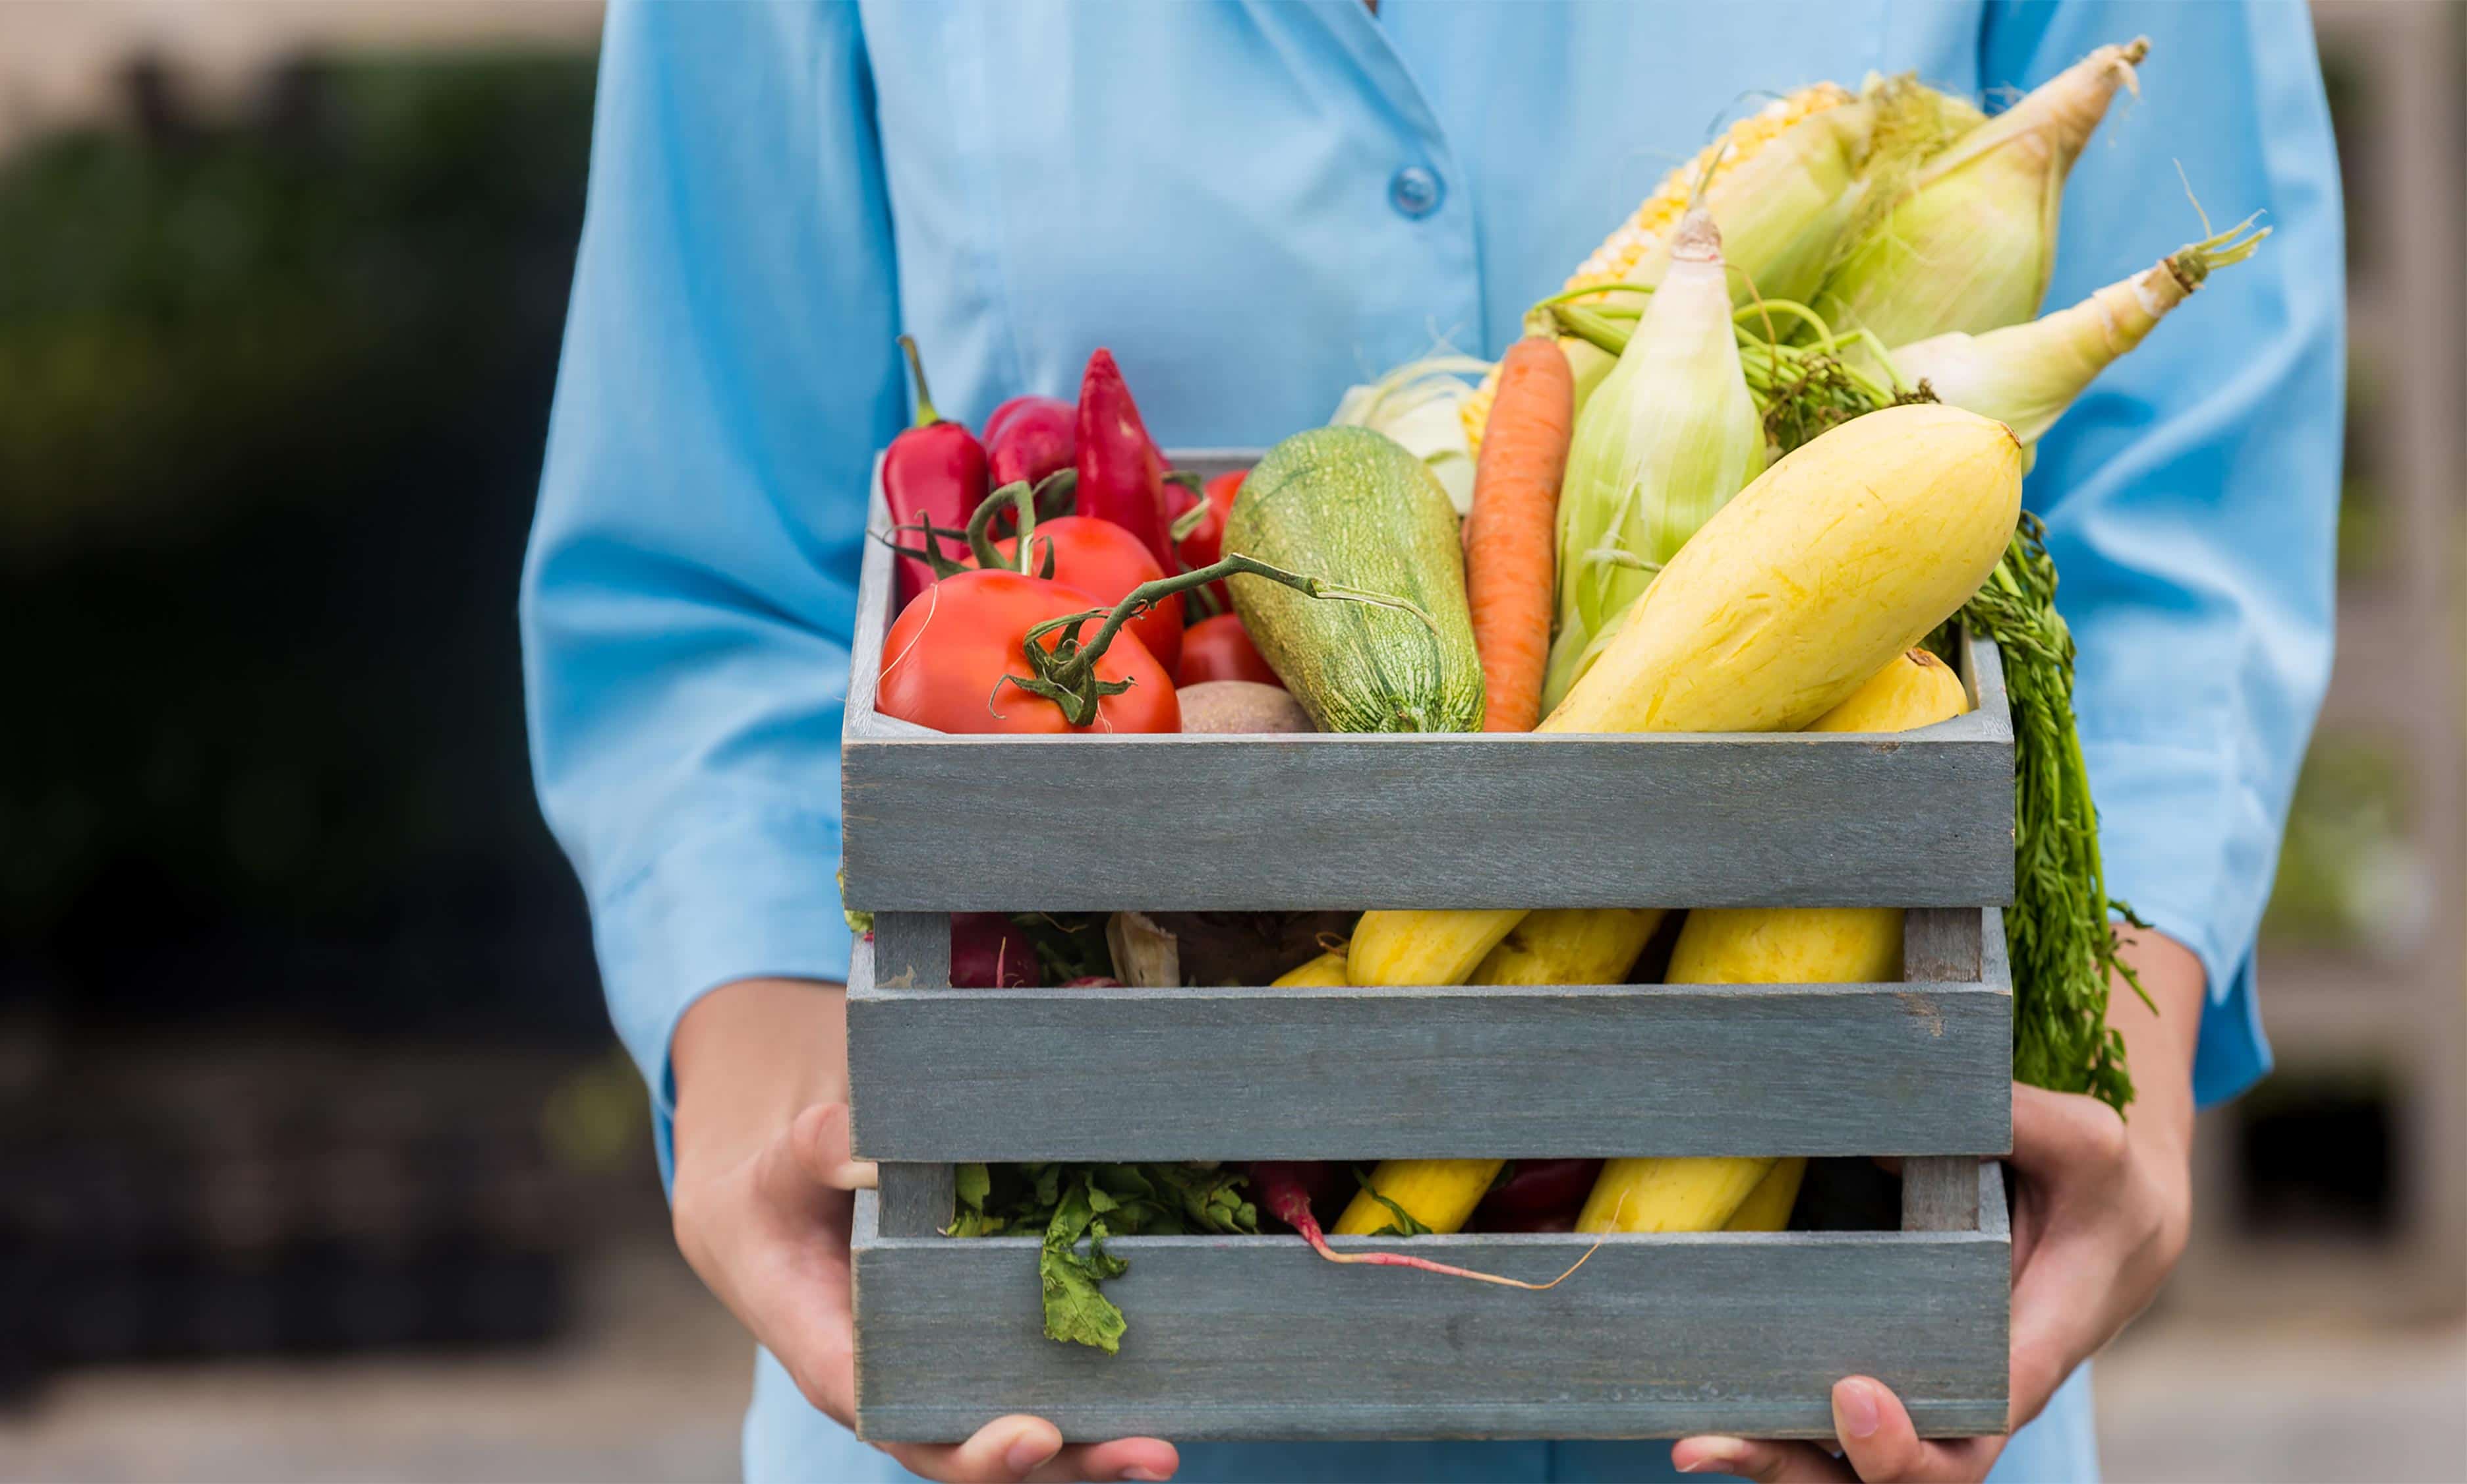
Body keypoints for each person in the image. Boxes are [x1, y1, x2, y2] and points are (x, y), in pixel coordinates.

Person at [520, 3, 2341, 1481]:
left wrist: (2112, 1070)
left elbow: (2184, 526)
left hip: (1838, 1384)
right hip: (1060, 1399)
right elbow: (712, 585)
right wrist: (785, 1147)